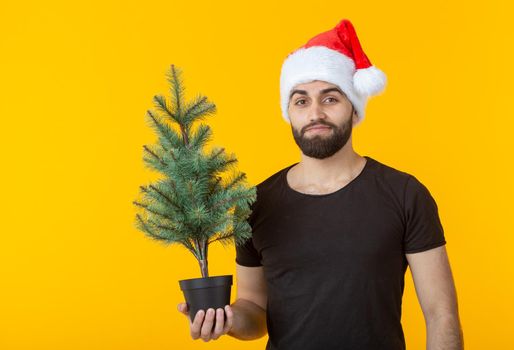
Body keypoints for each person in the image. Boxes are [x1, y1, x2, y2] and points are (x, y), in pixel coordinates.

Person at [178, 19, 464, 349]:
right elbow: (255, 310)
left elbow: (441, 314)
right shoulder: (254, 203)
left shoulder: (405, 194)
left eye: (330, 99)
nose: (315, 113)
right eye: (301, 101)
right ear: (289, 113)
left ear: (354, 111)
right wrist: (225, 320)